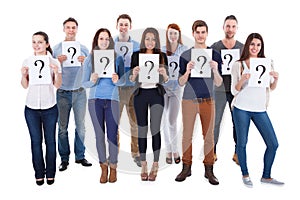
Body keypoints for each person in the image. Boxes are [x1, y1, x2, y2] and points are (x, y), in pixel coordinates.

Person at [231, 33, 284, 187]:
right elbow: (234, 91)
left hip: (260, 109)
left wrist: (276, 79)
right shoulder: (238, 65)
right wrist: (242, 79)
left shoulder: (267, 63)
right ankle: (245, 174)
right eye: (252, 44)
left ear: (261, 47)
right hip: (241, 108)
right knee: (242, 142)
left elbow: (271, 88)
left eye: (258, 45)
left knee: (273, 144)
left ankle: (266, 176)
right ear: (247, 45)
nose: (255, 47)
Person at [175, 20, 223, 185]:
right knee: (186, 135)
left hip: (208, 100)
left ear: (207, 34)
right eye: (198, 32)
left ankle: (209, 169)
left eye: (203, 32)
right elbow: (180, 83)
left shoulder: (215, 54)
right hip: (188, 99)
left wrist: (215, 69)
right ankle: (186, 167)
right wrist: (187, 71)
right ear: (193, 33)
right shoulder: (185, 55)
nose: (200, 35)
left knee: (208, 136)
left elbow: (218, 83)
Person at [82, 28, 123, 183]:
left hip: (113, 100)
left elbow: (123, 82)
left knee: (112, 136)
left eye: (107, 39)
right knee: (99, 136)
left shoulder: (117, 58)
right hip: (95, 101)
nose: (104, 41)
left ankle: (113, 167)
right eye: (101, 39)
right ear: (96, 41)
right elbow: (83, 83)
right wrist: (92, 80)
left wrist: (117, 80)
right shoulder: (89, 59)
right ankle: (103, 167)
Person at [21, 31, 62, 186]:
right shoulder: (27, 61)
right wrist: (23, 75)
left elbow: (57, 85)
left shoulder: (54, 62)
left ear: (47, 44)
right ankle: (39, 173)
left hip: (49, 107)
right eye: (34, 42)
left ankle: (50, 173)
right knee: (35, 141)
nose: (36, 45)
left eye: (39, 42)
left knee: (50, 141)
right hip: (31, 108)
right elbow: (25, 86)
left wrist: (56, 72)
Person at [130, 27, 169, 181]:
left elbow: (166, 80)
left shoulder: (161, 56)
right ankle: (144, 163)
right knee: (142, 129)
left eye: (153, 39)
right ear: (143, 40)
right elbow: (131, 80)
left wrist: (164, 73)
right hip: (140, 95)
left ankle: (156, 163)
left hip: (156, 94)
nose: (150, 42)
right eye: (147, 39)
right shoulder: (136, 55)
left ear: (157, 41)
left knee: (155, 130)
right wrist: (134, 73)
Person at [53, 17, 92, 172]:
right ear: (63, 29)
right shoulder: (56, 49)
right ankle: (64, 158)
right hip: (62, 92)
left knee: (81, 126)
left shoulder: (83, 48)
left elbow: (89, 72)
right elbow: (49, 72)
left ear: (77, 29)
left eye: (73, 27)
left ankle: (80, 156)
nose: (71, 30)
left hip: (80, 92)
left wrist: (85, 62)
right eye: (68, 27)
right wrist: (57, 62)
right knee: (62, 127)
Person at [210, 15, 244, 164]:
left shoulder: (242, 48)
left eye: (233, 26)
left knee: (237, 121)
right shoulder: (215, 47)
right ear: (223, 27)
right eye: (228, 26)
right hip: (218, 90)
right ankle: (213, 151)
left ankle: (237, 152)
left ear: (237, 28)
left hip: (236, 91)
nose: (230, 29)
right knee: (215, 122)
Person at [114, 14, 141, 167]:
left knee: (135, 123)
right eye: (121, 24)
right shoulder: (110, 44)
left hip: (132, 89)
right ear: (117, 26)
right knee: (114, 122)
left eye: (126, 24)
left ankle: (135, 153)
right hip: (116, 89)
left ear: (130, 26)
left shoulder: (137, 45)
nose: (123, 27)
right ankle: (114, 153)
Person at [161, 23, 188, 164]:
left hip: (177, 88)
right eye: (170, 33)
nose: (173, 36)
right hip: (163, 88)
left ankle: (175, 148)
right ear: (167, 34)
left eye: (175, 33)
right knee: (163, 120)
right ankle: (169, 150)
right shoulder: (162, 50)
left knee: (172, 120)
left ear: (179, 35)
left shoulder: (184, 50)